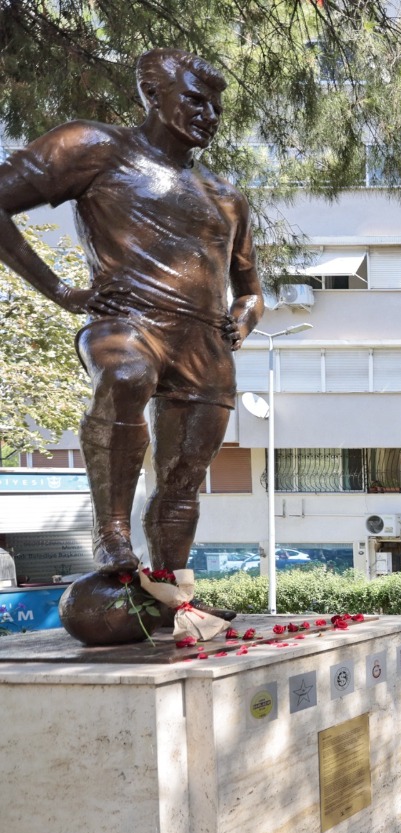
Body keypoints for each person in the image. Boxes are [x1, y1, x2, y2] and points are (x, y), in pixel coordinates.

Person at [0, 50, 264, 577]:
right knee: (125, 376)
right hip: (128, 322)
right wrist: (60, 291)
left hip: (204, 345)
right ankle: (112, 535)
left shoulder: (226, 197)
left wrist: (243, 319)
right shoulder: (94, 146)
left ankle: (171, 588)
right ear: (153, 93)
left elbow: (251, 291)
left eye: (216, 108)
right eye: (195, 100)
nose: (209, 115)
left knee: (185, 476)